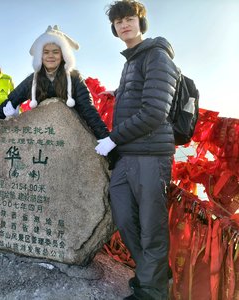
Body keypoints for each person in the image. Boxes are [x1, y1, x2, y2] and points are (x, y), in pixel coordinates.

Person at [99, 1, 179, 299]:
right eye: (118, 21)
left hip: (150, 156)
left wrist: (112, 139)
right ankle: (155, 274)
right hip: (128, 157)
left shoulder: (156, 56)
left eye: (129, 18)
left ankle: (152, 290)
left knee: (150, 226)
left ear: (140, 22)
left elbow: (154, 112)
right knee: (123, 216)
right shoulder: (131, 61)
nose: (124, 25)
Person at [0, 25, 109, 145]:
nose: (50, 56)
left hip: (71, 135)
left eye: (55, 52)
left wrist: (105, 138)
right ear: (40, 56)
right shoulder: (33, 79)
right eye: (46, 52)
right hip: (42, 136)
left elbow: (87, 108)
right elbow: (11, 101)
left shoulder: (73, 77)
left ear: (63, 55)